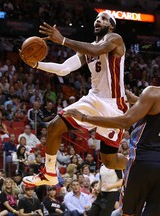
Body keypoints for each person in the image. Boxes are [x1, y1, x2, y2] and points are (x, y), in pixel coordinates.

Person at [67, 59, 160, 215]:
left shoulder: (153, 92)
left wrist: (85, 118)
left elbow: (125, 121)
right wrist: (138, 100)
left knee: (128, 212)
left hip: (143, 162)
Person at [22, 11, 128, 186]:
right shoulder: (87, 50)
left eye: (103, 19)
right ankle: (49, 173)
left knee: (109, 161)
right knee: (54, 125)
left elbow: (97, 49)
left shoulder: (114, 39)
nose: (98, 21)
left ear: (111, 26)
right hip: (93, 99)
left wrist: (63, 40)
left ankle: (135, 161)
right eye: (96, 18)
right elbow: (64, 69)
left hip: (113, 105)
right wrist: (36, 64)